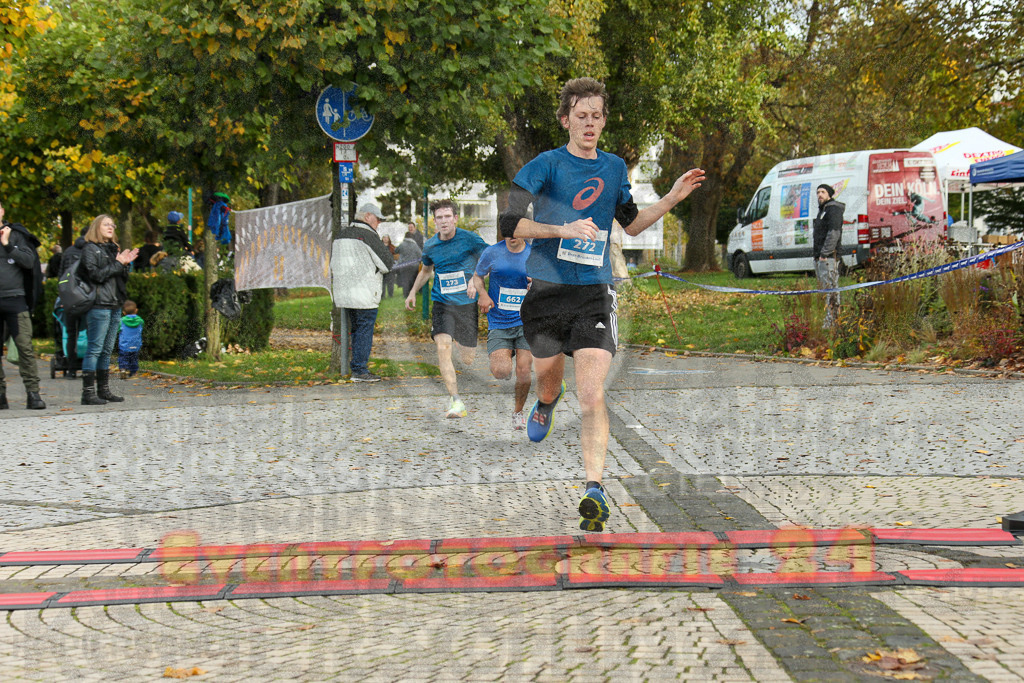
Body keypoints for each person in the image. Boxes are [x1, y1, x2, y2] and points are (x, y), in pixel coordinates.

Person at [499, 77, 704, 531]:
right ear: (565, 119)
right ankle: (547, 402)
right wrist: (561, 229)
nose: (589, 124)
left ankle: (594, 489)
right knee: (548, 381)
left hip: (594, 292)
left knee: (593, 393)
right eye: (581, 115)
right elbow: (509, 223)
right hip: (546, 292)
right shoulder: (545, 165)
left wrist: (671, 197)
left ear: (603, 121)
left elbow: (629, 224)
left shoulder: (613, 167)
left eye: (597, 116)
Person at [405, 200, 488, 418]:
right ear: (435, 221)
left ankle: (462, 341)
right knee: (443, 347)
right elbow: (425, 271)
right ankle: (456, 401)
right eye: (439, 217)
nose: (443, 221)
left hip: (466, 304)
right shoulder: (431, 245)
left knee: (468, 357)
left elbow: (489, 261)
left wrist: (475, 279)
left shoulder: (470, 239)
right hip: (442, 303)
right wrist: (412, 292)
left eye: (447, 216)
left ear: (455, 218)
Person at [471, 233, 533, 430]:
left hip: (526, 322)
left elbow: (550, 283)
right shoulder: (493, 252)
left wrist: (537, 286)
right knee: (500, 371)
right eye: (507, 233)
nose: (511, 236)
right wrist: (482, 294)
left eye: (516, 232)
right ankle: (508, 353)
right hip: (499, 321)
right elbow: (477, 276)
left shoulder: (534, 254)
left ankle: (518, 412)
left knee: (523, 372)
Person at [331, 202, 393, 382]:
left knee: (355, 329)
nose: (378, 223)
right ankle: (359, 370)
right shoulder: (368, 235)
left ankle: (353, 367)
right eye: (377, 219)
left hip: (344, 292)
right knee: (364, 330)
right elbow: (387, 264)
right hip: (365, 293)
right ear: (367, 217)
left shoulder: (340, 235)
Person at [80, 214, 138, 405]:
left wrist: (124, 265)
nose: (111, 227)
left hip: (114, 304)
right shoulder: (90, 249)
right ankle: (88, 393)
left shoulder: (113, 249)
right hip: (98, 305)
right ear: (96, 227)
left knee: (106, 351)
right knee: (95, 349)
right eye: (106, 224)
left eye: (112, 224)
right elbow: (96, 275)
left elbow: (120, 279)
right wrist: (118, 263)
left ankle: (103, 390)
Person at [0, 201, 46, 410]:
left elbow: (29, 262)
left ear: (2, 210)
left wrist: (8, 245)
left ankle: (33, 394)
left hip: (16, 300)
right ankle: (1, 396)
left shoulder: (16, 234)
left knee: (25, 348)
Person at [813, 183, 844, 329]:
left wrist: (824, 254)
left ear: (829, 194)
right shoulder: (823, 210)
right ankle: (830, 320)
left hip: (828, 258)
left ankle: (832, 322)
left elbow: (834, 233)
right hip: (821, 257)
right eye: (818, 192)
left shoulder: (833, 209)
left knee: (830, 289)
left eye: (823, 192)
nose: (820, 195)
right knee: (825, 289)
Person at [117, 299, 143, 378]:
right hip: (136, 344)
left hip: (124, 344)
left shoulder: (121, 321)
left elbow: (118, 330)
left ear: (124, 312)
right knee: (134, 358)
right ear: (136, 310)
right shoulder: (140, 321)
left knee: (123, 357)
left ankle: (123, 369)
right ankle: (133, 372)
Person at [396, 230, 423, 298]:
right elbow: (420, 255)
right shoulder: (415, 245)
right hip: (414, 266)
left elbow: (396, 250)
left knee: (405, 280)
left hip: (404, 266)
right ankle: (412, 294)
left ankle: (405, 295)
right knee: (412, 280)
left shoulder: (402, 244)